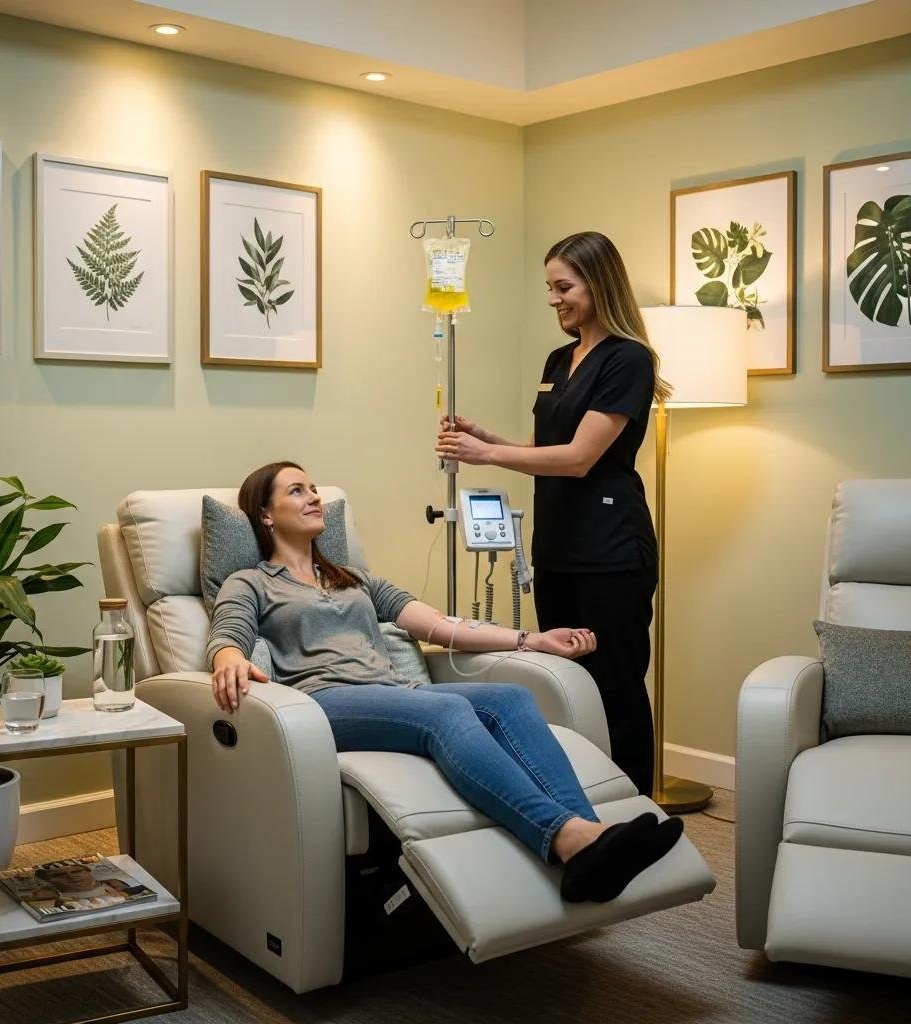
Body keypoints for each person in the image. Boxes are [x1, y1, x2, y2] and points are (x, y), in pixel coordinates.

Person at [206, 461, 682, 903]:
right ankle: (565, 836)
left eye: (313, 488)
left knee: (512, 699)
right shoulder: (251, 581)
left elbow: (438, 624)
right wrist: (227, 656)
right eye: (297, 491)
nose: (313, 497)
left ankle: (594, 842)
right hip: (325, 702)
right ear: (266, 515)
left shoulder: (355, 578)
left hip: (396, 694)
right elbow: (228, 632)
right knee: (448, 711)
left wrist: (531, 640)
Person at [434, 231, 669, 798]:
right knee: (566, 680)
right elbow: (545, 450)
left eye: (563, 286)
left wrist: (483, 455)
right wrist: (486, 436)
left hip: (611, 549)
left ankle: (636, 809)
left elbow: (580, 458)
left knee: (615, 685)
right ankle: (581, 799)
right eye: (550, 287)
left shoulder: (629, 358)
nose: (552, 298)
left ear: (598, 283)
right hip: (559, 546)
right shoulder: (558, 359)